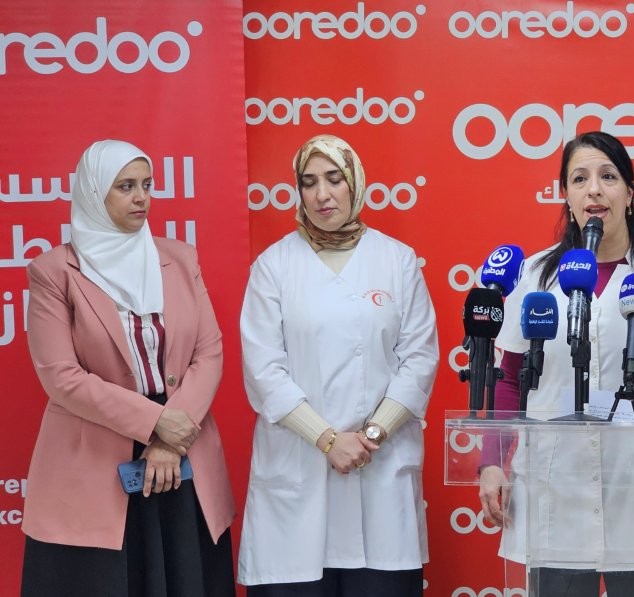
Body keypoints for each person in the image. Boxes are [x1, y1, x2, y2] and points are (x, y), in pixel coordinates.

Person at [477, 131, 634, 596]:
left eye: (608, 177)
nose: (594, 189)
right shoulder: (535, 275)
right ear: (565, 195)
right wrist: (492, 462)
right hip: (555, 485)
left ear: (630, 193)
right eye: (579, 179)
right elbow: (510, 380)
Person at [21, 139, 236, 596]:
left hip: (182, 449)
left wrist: (171, 437)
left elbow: (209, 351)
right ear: (93, 193)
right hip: (97, 456)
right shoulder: (54, 271)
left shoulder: (180, 258)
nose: (141, 197)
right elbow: (61, 377)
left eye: (147, 185)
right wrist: (155, 422)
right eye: (125, 187)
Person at [238, 134, 440, 596]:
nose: (322, 194)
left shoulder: (396, 261)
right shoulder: (274, 266)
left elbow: (419, 359)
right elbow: (264, 372)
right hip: (299, 475)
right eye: (309, 183)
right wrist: (327, 439)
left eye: (334, 179)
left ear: (355, 182)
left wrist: (372, 436)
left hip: (379, 468)